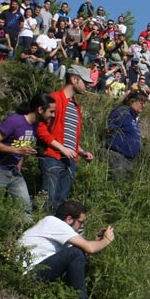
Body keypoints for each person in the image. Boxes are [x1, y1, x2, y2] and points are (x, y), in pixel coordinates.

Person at [17, 200, 115, 299]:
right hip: (29, 275)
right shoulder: (54, 223)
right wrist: (107, 240)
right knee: (75, 252)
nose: (82, 226)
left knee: (76, 252)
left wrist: (97, 241)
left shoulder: (55, 227)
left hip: (29, 274)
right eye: (80, 222)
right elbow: (88, 249)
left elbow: (79, 259)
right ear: (69, 219)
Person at [0, 93, 56, 219]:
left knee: (25, 210)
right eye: (51, 111)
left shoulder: (35, 125)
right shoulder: (14, 120)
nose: (53, 115)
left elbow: (22, 148)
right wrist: (17, 151)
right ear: (40, 110)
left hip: (14, 172)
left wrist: (20, 162)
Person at [37, 66, 95, 213]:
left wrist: (81, 151)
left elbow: (67, 135)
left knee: (60, 203)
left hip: (69, 161)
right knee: (47, 200)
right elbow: (41, 130)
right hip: (53, 157)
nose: (87, 85)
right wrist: (62, 148)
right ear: (73, 79)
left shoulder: (75, 106)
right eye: (84, 81)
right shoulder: (55, 99)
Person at [105, 91, 146, 181]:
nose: (143, 105)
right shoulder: (121, 112)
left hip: (128, 160)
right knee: (116, 188)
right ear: (131, 101)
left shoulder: (133, 118)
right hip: (118, 157)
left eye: (144, 103)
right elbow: (109, 129)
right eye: (141, 103)